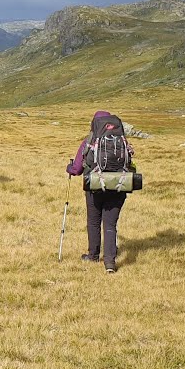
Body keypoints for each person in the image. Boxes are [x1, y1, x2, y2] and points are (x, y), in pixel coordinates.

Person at [66, 110, 133, 273]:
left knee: (94, 221)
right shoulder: (122, 141)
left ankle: (93, 255)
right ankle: (110, 263)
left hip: (95, 187)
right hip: (118, 186)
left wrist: (69, 168)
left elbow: (76, 169)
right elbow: (130, 164)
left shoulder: (89, 141)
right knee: (110, 224)